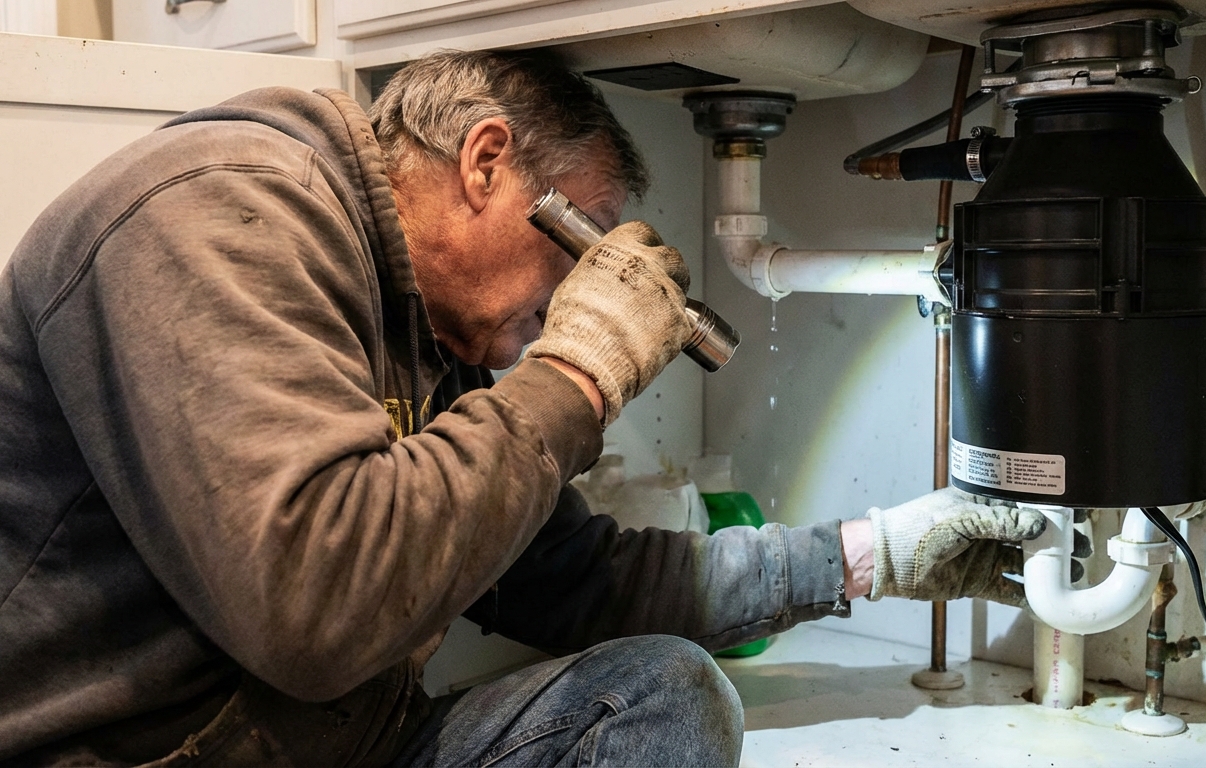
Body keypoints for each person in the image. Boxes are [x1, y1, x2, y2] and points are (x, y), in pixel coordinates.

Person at [0, 50, 1044, 767]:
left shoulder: (430, 341)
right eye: (580, 240)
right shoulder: (216, 209)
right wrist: (578, 372)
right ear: (486, 162)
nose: (578, 291)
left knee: (656, 694)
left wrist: (871, 554)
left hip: (337, 746)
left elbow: (575, 581)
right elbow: (310, 611)